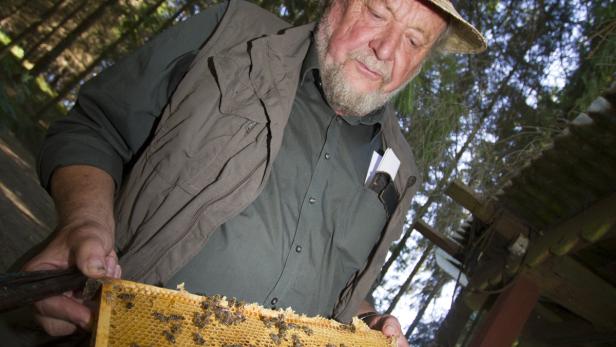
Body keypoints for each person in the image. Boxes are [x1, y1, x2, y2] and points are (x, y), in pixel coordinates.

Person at [21, 0, 486, 345]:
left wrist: (370, 324)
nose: (385, 49)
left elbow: (337, 293)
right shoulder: (230, 37)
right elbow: (96, 128)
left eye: (413, 40)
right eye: (379, 12)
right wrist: (85, 224)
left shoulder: (399, 170)